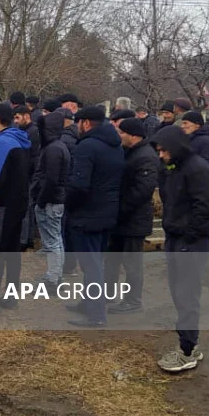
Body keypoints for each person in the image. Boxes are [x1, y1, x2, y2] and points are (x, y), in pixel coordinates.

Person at [151, 126, 209, 373]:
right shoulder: (173, 167)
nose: (161, 156)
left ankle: (186, 350)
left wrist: (188, 239)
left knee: (187, 295)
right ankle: (190, 344)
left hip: (191, 242)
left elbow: (203, 210)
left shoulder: (197, 169)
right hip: (176, 238)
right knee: (179, 293)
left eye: (163, 150)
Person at [65, 106, 123, 328]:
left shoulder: (87, 146)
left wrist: (69, 206)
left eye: (78, 122)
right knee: (95, 261)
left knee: (91, 265)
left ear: (86, 123)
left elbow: (79, 185)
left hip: (87, 215)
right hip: (107, 212)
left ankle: (96, 314)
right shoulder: (115, 146)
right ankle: (88, 303)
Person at [105, 118, 158, 314]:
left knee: (132, 262)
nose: (119, 136)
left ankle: (133, 300)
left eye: (122, 132)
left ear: (134, 135)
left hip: (134, 220)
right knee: (111, 259)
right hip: (121, 219)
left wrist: (121, 208)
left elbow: (143, 190)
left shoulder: (146, 156)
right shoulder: (130, 153)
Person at [0, 103, 33, 293]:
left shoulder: (2, 142)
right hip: (20, 201)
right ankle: (11, 294)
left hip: (5, 204)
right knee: (14, 251)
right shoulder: (22, 139)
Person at [30, 110, 70, 286]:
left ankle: (53, 278)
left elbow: (51, 179)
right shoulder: (57, 146)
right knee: (55, 240)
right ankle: (55, 274)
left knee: (53, 241)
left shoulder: (53, 149)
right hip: (54, 199)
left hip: (51, 201)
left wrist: (41, 200)